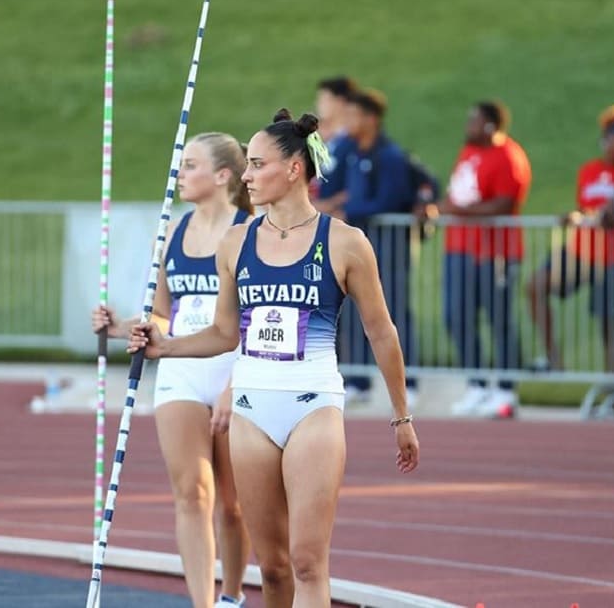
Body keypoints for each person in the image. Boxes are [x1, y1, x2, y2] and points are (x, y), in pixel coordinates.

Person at [128, 110, 419, 608]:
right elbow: (223, 332)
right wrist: (164, 345)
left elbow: (382, 332)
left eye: (257, 164)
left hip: (313, 406)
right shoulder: (236, 243)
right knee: (276, 570)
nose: (245, 175)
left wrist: (402, 417)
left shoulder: (345, 243)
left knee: (308, 562)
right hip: (251, 412)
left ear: (293, 169)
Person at [94, 132, 252, 608]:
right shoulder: (174, 231)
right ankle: (202, 604)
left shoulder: (249, 231)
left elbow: (258, 314)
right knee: (192, 493)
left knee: (231, 502)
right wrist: (122, 327)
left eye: (190, 166)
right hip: (180, 368)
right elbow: (164, 314)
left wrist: (235, 384)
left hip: (232, 367)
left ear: (223, 175)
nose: (179, 175)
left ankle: (233, 595)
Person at [318, 89, 437, 406]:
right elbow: (343, 190)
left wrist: (347, 212)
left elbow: (387, 201)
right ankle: (358, 379)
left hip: (390, 248)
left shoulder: (391, 157)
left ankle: (407, 380)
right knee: (355, 309)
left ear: (371, 119)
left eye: (354, 115)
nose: (348, 122)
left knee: (394, 311)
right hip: (362, 248)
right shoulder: (353, 152)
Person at [424, 101, 532, 418]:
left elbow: (503, 204)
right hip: (460, 248)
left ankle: (506, 391)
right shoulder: (468, 152)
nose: (468, 125)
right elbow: (459, 196)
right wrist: (438, 207)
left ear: (490, 125)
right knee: (456, 316)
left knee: (499, 319)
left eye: (474, 120)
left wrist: (456, 211)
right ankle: (477, 385)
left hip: (496, 251)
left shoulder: (508, 156)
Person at [525, 105, 614, 372]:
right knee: (535, 286)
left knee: (610, 324)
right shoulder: (589, 170)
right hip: (581, 250)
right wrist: (576, 215)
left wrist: (595, 214)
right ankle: (554, 358)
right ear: (605, 139)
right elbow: (585, 206)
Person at [310, 76, 358, 203]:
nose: (318, 104)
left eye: (323, 99)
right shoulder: (324, 140)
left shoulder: (354, 140)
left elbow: (356, 186)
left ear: (340, 102)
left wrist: (327, 205)